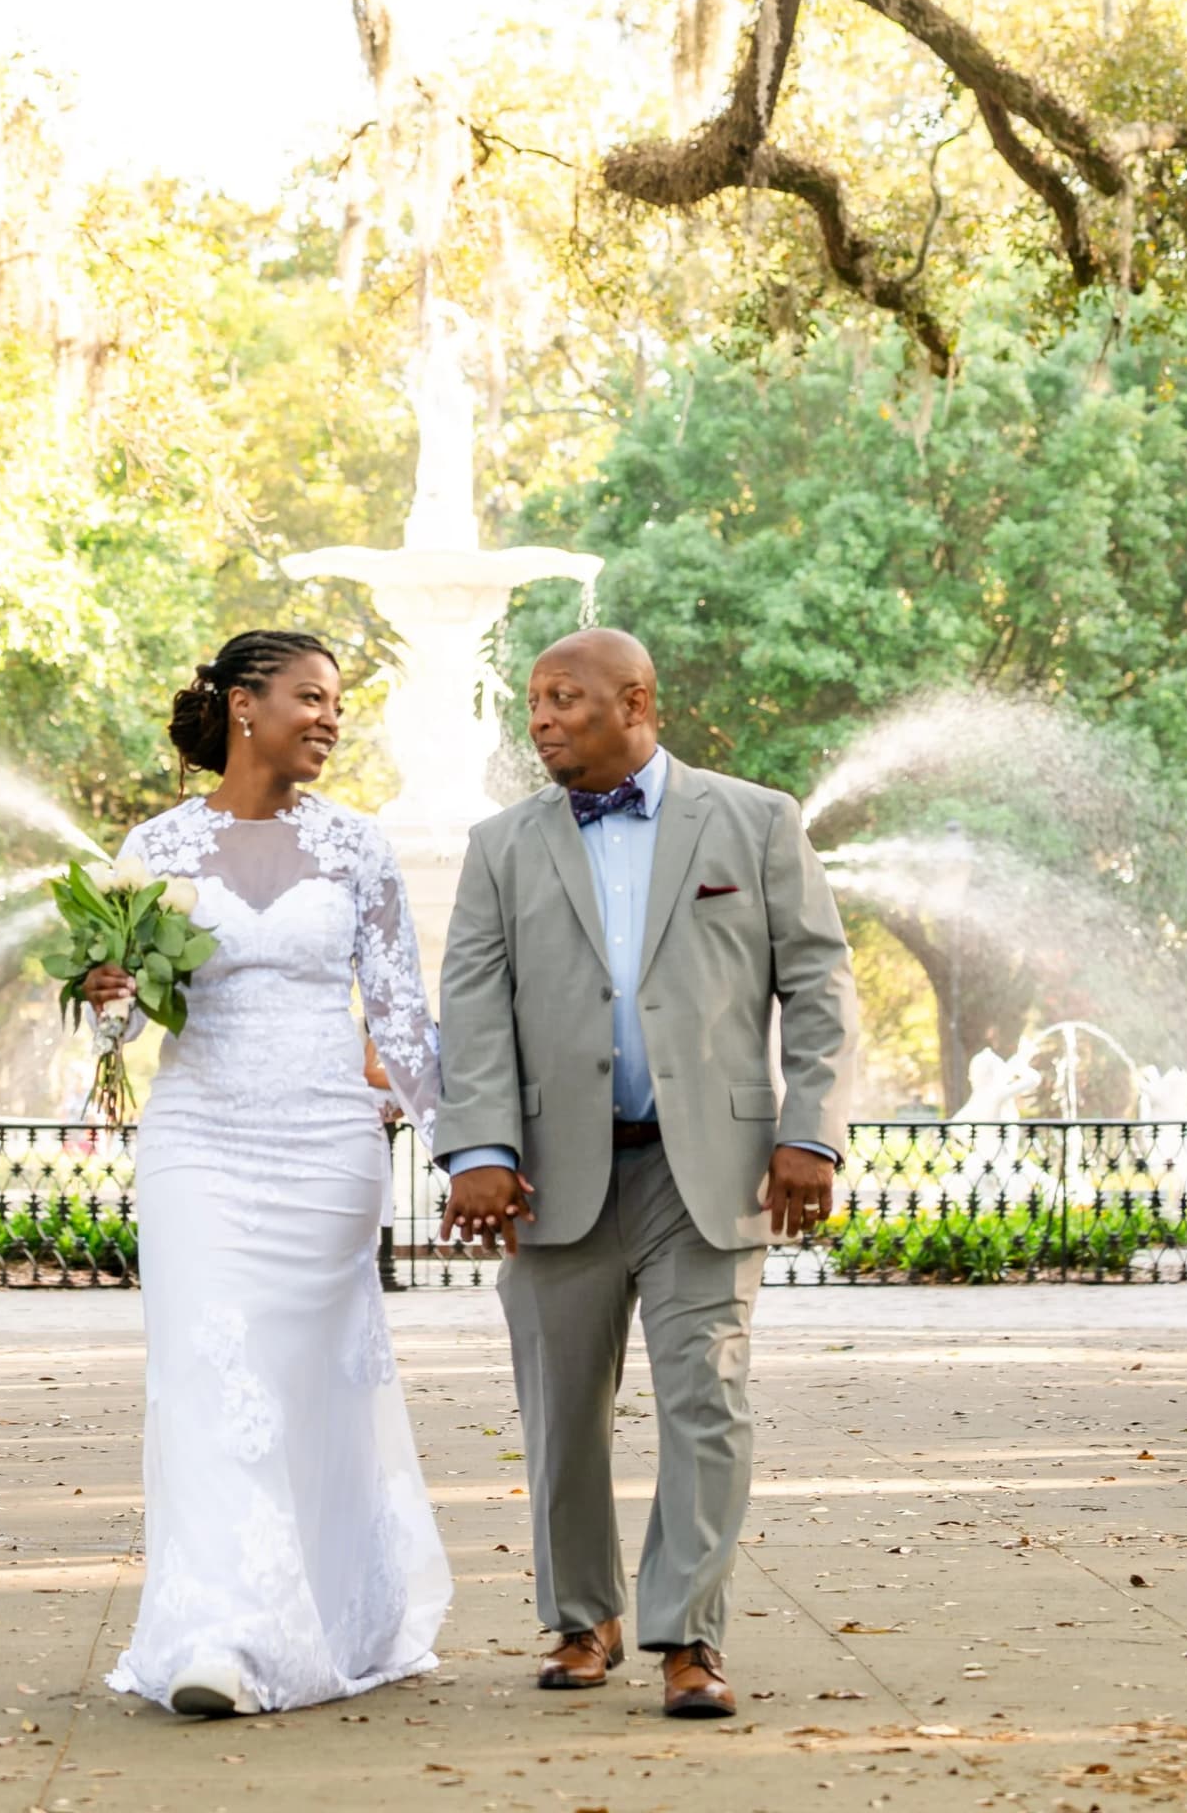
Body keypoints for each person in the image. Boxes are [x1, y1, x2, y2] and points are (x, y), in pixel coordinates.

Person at [436, 628, 858, 1723]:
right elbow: (473, 1009)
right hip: (552, 1176)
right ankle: (583, 1618)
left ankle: (687, 1636)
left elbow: (819, 983)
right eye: (533, 700)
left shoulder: (757, 822)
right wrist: (479, 1150)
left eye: (564, 698)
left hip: (707, 1172)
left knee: (706, 1403)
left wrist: (811, 1130)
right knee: (561, 1413)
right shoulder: (499, 846)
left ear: (637, 701)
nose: (540, 718)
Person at [90, 629, 449, 1719]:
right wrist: (108, 998)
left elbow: (399, 1017)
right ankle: (216, 1635)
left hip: (327, 1145)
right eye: (311, 698)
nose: (331, 719)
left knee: (299, 1385)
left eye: (338, 703)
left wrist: (469, 1153)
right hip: (198, 1137)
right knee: (208, 1377)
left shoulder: (358, 848)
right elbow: (124, 1029)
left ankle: (332, 1615)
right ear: (245, 706)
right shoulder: (152, 848)